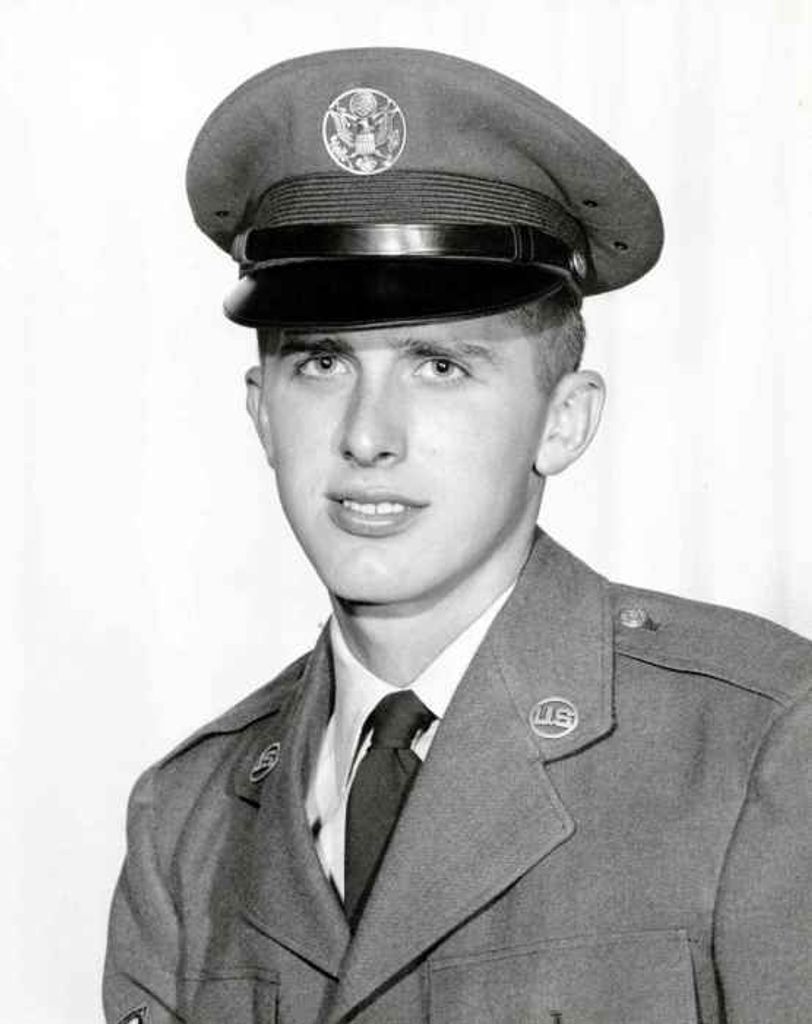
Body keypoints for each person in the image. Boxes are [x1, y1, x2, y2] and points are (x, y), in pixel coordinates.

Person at [103, 49, 811, 1024]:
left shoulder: (756, 747)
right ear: (261, 412)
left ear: (563, 420)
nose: (367, 436)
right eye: (320, 363)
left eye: (439, 366)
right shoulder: (184, 822)